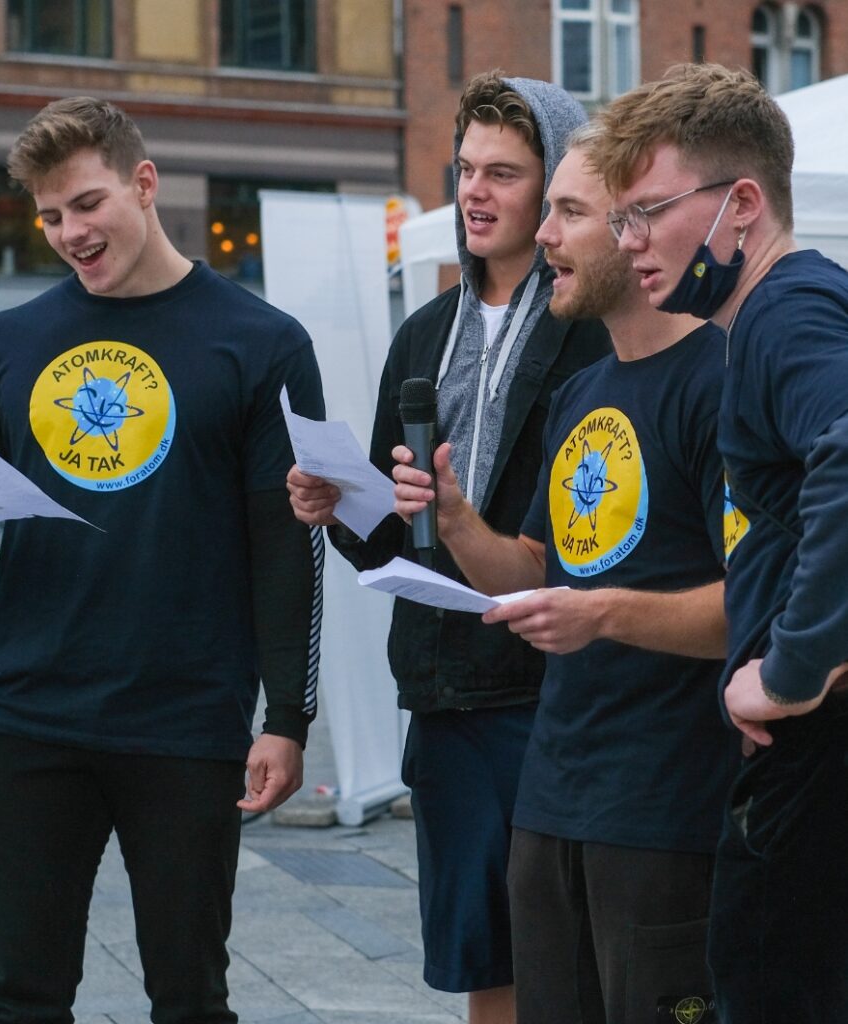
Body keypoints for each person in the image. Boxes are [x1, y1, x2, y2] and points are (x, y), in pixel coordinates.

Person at [0, 96, 324, 1024]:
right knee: (20, 998)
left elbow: (286, 541)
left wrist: (288, 719)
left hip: (184, 721)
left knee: (189, 998)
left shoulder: (262, 343)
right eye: (50, 216)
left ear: (144, 183)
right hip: (24, 714)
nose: (69, 233)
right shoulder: (7, 341)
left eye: (87, 204)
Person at [391, 127, 736, 1024]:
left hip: (667, 808)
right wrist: (455, 520)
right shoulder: (582, 393)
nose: (542, 234)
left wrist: (604, 615)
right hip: (551, 801)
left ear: (632, 229)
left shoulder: (719, 380)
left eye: (568, 212)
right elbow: (538, 568)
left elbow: (756, 607)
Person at [288, 72, 609, 1022]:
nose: (474, 191)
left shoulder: (592, 333)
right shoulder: (424, 333)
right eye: (465, 169)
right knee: (480, 958)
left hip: (552, 690)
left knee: (573, 956)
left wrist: (463, 521)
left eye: (502, 174)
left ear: (554, 187)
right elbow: (398, 542)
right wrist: (339, 508)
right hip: (441, 692)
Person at [591, 62, 848, 1024]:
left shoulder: (785, 310)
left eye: (648, 212)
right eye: (619, 219)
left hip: (814, 765)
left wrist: (789, 671)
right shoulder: (780, 313)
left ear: (741, 204)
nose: (628, 242)